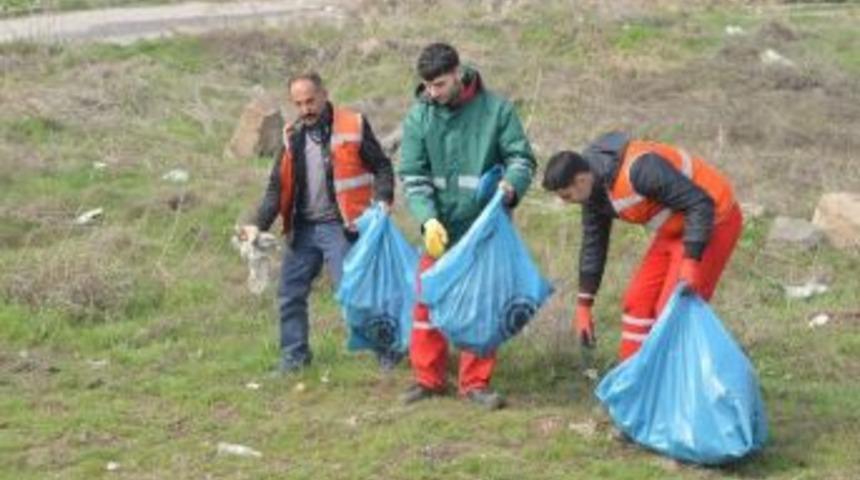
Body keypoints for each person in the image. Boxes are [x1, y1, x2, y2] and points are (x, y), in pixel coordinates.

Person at [398, 43, 536, 409]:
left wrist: (512, 186)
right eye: (428, 86)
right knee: (426, 303)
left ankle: (475, 383)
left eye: (440, 84)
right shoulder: (419, 117)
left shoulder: (497, 111)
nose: (433, 93)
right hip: (439, 229)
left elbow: (521, 158)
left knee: (481, 307)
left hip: (483, 231)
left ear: (459, 73)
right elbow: (413, 176)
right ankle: (428, 379)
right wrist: (427, 219)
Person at [240, 72, 397, 373]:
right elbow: (276, 188)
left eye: (310, 101)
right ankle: (294, 357)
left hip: (343, 226)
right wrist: (257, 225)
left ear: (324, 94)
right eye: (298, 103)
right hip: (303, 229)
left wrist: (384, 198)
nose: (305, 109)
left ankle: (387, 350)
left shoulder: (353, 125)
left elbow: (382, 167)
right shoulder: (292, 136)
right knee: (289, 294)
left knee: (355, 295)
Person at [542, 132, 742, 361]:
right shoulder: (593, 189)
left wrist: (691, 260)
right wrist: (584, 305)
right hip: (675, 226)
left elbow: (700, 204)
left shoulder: (640, 170)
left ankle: (675, 387)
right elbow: (593, 244)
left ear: (580, 180)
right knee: (637, 302)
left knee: (672, 313)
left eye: (566, 196)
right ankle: (632, 381)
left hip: (712, 220)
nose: (566, 203)